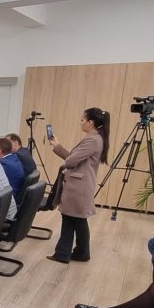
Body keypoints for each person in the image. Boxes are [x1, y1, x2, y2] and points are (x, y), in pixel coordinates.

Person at [47, 107, 110, 264]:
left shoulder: (92, 140)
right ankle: (81, 253)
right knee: (77, 220)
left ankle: (63, 254)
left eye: (82, 120)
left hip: (78, 186)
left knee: (70, 219)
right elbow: (74, 157)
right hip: (80, 185)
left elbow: (71, 161)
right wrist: (57, 146)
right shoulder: (95, 138)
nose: (80, 123)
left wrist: (64, 153)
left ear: (91, 122)